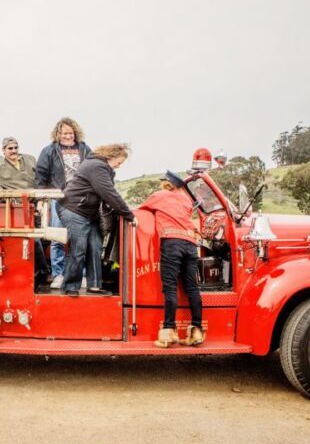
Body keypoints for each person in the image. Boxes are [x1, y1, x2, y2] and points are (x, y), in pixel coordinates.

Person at [57, 143, 135, 297]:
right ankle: (70, 286)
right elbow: (109, 193)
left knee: (95, 246)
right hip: (73, 209)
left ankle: (94, 285)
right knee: (79, 247)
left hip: (87, 212)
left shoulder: (100, 167)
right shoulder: (97, 167)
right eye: (119, 162)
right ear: (111, 156)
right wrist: (129, 215)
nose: (118, 166)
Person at [138, 171, 204, 348]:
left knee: (170, 288)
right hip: (190, 245)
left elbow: (140, 210)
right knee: (192, 288)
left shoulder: (158, 196)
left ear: (166, 183)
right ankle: (196, 331)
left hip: (172, 243)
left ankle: (168, 333)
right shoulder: (186, 199)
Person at [0, 137, 51, 292]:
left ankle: (40, 272)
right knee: (34, 239)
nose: (14, 151)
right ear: (3, 151)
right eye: (10, 148)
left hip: (37, 204)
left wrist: (41, 199)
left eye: (15, 147)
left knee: (47, 238)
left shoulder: (30, 160)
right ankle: (44, 273)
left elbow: (41, 178)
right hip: (18, 209)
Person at [35, 117, 91, 289]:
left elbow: (93, 170)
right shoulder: (49, 151)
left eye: (71, 132)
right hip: (58, 198)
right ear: (58, 134)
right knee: (57, 237)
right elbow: (41, 176)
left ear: (75, 133)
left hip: (80, 199)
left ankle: (78, 275)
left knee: (79, 239)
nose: (68, 136)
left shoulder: (84, 148)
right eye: (64, 133)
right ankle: (58, 274)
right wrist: (39, 200)